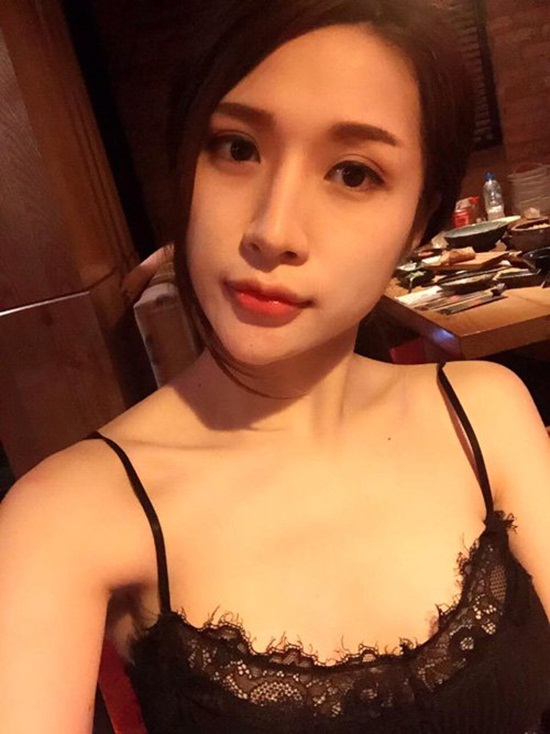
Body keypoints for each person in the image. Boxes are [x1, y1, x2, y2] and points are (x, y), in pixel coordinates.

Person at [1, 1, 549, 732]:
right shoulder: (67, 513)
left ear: (419, 225)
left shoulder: (483, 411)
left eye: (353, 173)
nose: (273, 230)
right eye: (237, 149)